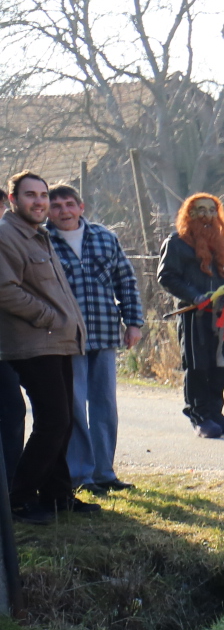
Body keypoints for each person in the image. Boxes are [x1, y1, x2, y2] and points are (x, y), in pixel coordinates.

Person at [0, 171, 94, 524]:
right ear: (13, 200)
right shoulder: (6, 236)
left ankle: (57, 496)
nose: (39, 201)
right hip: (32, 343)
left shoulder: (39, 236)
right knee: (53, 421)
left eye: (43, 195)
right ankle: (19, 500)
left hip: (57, 342)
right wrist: (48, 317)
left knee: (62, 421)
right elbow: (5, 289)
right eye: (30, 195)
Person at [45, 182, 143, 492]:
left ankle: (104, 473)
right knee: (73, 408)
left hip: (103, 333)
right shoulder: (41, 241)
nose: (64, 211)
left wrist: (134, 322)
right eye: (56, 206)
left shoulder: (104, 237)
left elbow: (126, 281)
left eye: (69, 205)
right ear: (48, 210)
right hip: (64, 338)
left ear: (81, 207)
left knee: (105, 406)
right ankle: (81, 476)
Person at [158, 193, 224, 440]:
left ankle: (215, 413)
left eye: (211, 210)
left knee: (219, 364)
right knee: (197, 365)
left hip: (220, 317)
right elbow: (167, 277)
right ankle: (200, 417)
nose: (206, 215)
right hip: (193, 316)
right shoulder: (176, 243)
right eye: (200, 210)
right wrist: (194, 296)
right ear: (190, 214)